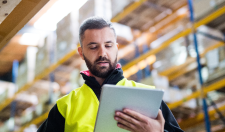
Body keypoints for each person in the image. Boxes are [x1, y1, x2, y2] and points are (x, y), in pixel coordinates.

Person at [37, 16, 184, 132]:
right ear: (81, 53)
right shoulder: (65, 107)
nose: (103, 53)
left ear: (116, 48)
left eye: (108, 45)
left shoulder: (148, 97)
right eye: (93, 47)